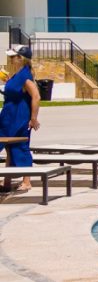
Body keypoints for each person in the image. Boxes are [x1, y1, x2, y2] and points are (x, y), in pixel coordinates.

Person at [1, 46, 40, 192]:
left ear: (20, 58)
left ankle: (26, 181)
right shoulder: (17, 74)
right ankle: (7, 181)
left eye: (13, 57)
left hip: (19, 116)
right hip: (8, 115)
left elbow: (36, 96)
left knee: (20, 146)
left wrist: (33, 118)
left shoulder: (25, 75)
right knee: (9, 147)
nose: (10, 59)